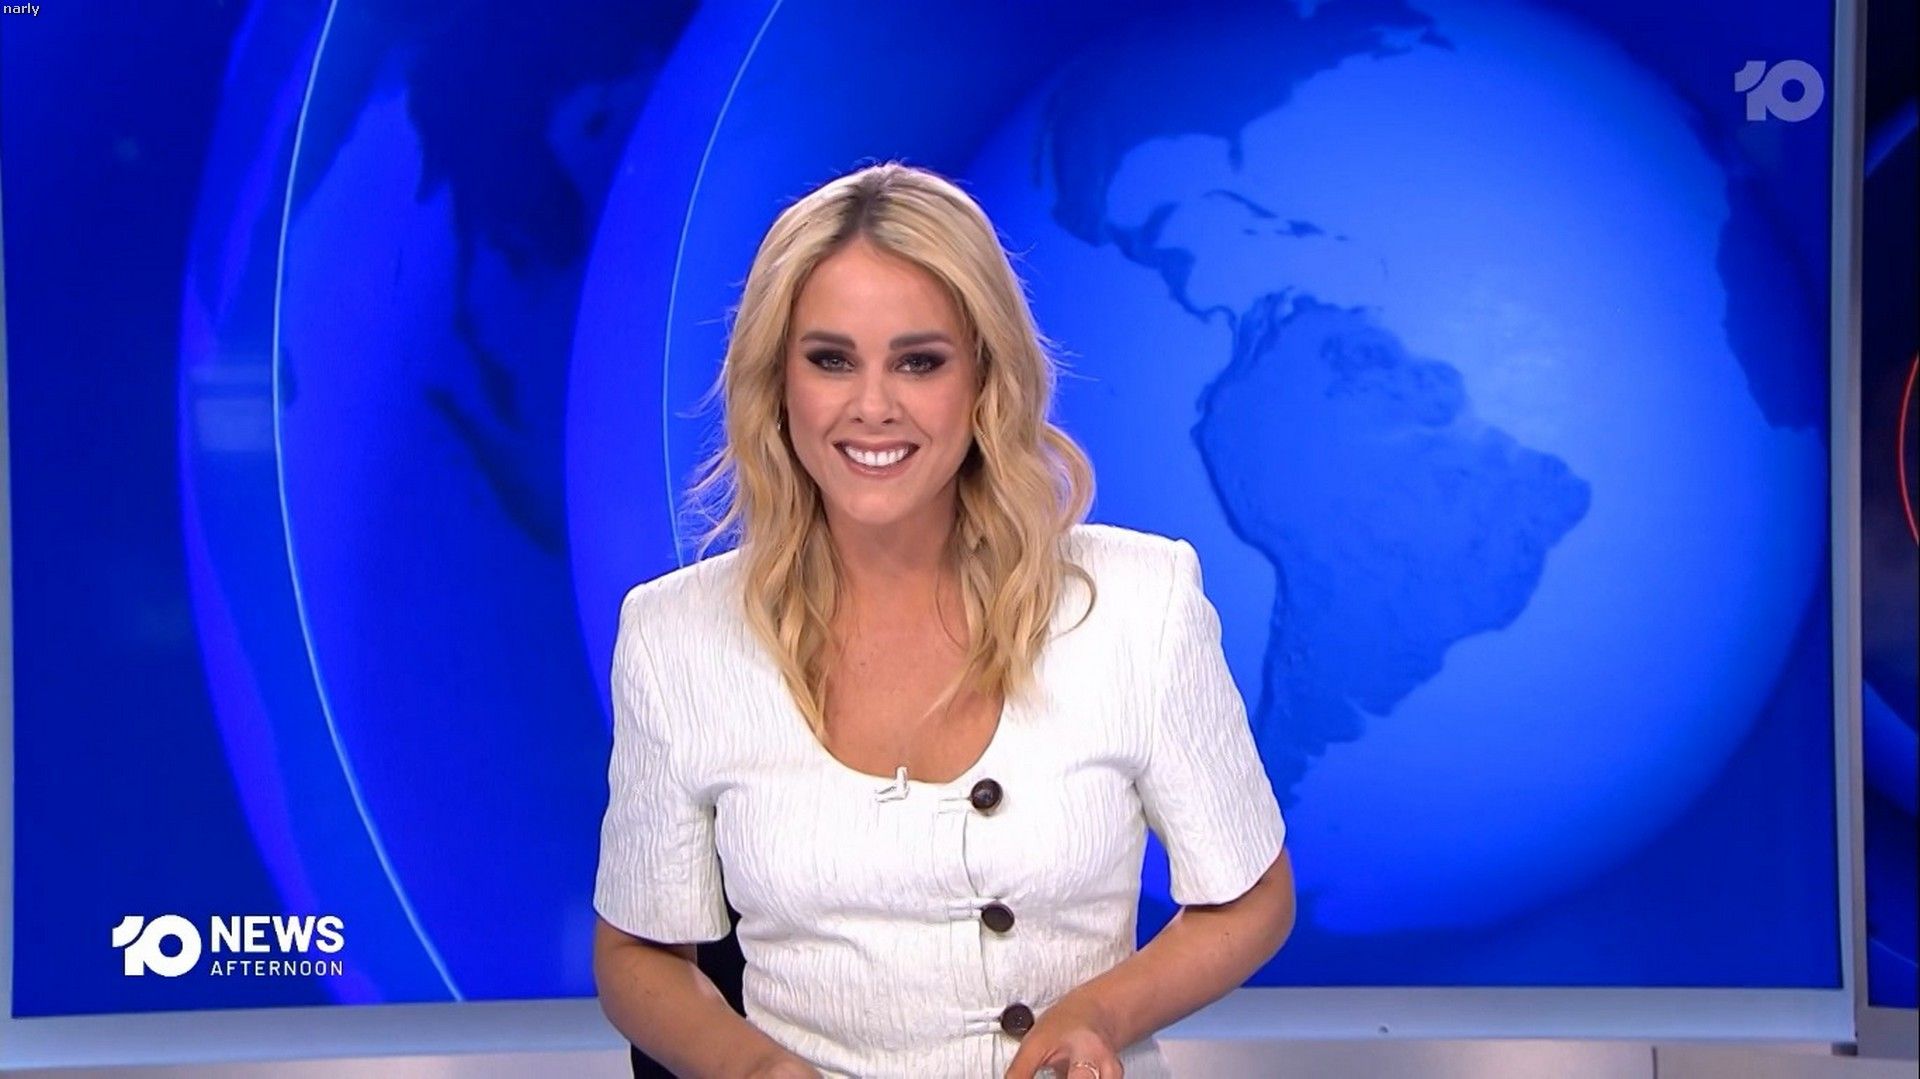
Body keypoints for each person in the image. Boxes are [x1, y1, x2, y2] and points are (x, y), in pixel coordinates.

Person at [592, 161, 1295, 1079]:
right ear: (777, 383)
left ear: (984, 379)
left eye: (919, 361)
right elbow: (637, 951)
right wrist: (758, 1069)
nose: (872, 407)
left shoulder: (1139, 602)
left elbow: (1253, 895)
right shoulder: (675, 637)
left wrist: (1096, 1013)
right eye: (831, 359)